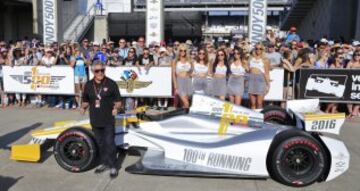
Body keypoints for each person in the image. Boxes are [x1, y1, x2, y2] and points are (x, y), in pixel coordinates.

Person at [81, 61, 122, 178]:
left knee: (109, 143)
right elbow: (85, 100)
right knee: (100, 143)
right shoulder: (88, 85)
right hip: (95, 119)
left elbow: (119, 102)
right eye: (97, 71)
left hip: (108, 119)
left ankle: (113, 166)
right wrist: (83, 107)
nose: (100, 73)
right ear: (93, 72)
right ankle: (104, 163)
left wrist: (116, 108)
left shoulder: (111, 84)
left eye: (102, 70)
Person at [248, 43, 270, 109]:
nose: (258, 50)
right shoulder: (250, 58)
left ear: (263, 50)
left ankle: (260, 117)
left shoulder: (265, 60)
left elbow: (267, 73)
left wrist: (268, 85)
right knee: (252, 103)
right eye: (257, 48)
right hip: (252, 80)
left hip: (260, 80)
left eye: (260, 49)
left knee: (259, 103)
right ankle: (253, 118)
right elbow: (248, 69)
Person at [172, 43, 193, 109]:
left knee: (184, 103)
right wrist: (175, 85)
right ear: (179, 51)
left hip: (188, 82)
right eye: (181, 50)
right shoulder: (175, 61)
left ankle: (184, 116)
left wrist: (188, 74)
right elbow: (173, 74)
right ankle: (186, 116)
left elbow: (192, 72)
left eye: (184, 50)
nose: (183, 52)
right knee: (186, 103)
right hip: (179, 82)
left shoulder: (190, 61)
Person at [346, 50, 360, 117]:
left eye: (359, 55)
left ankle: (355, 111)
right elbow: (346, 71)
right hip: (350, 82)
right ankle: (350, 112)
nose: (357, 56)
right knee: (349, 97)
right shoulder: (350, 63)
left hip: (359, 84)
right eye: (355, 54)